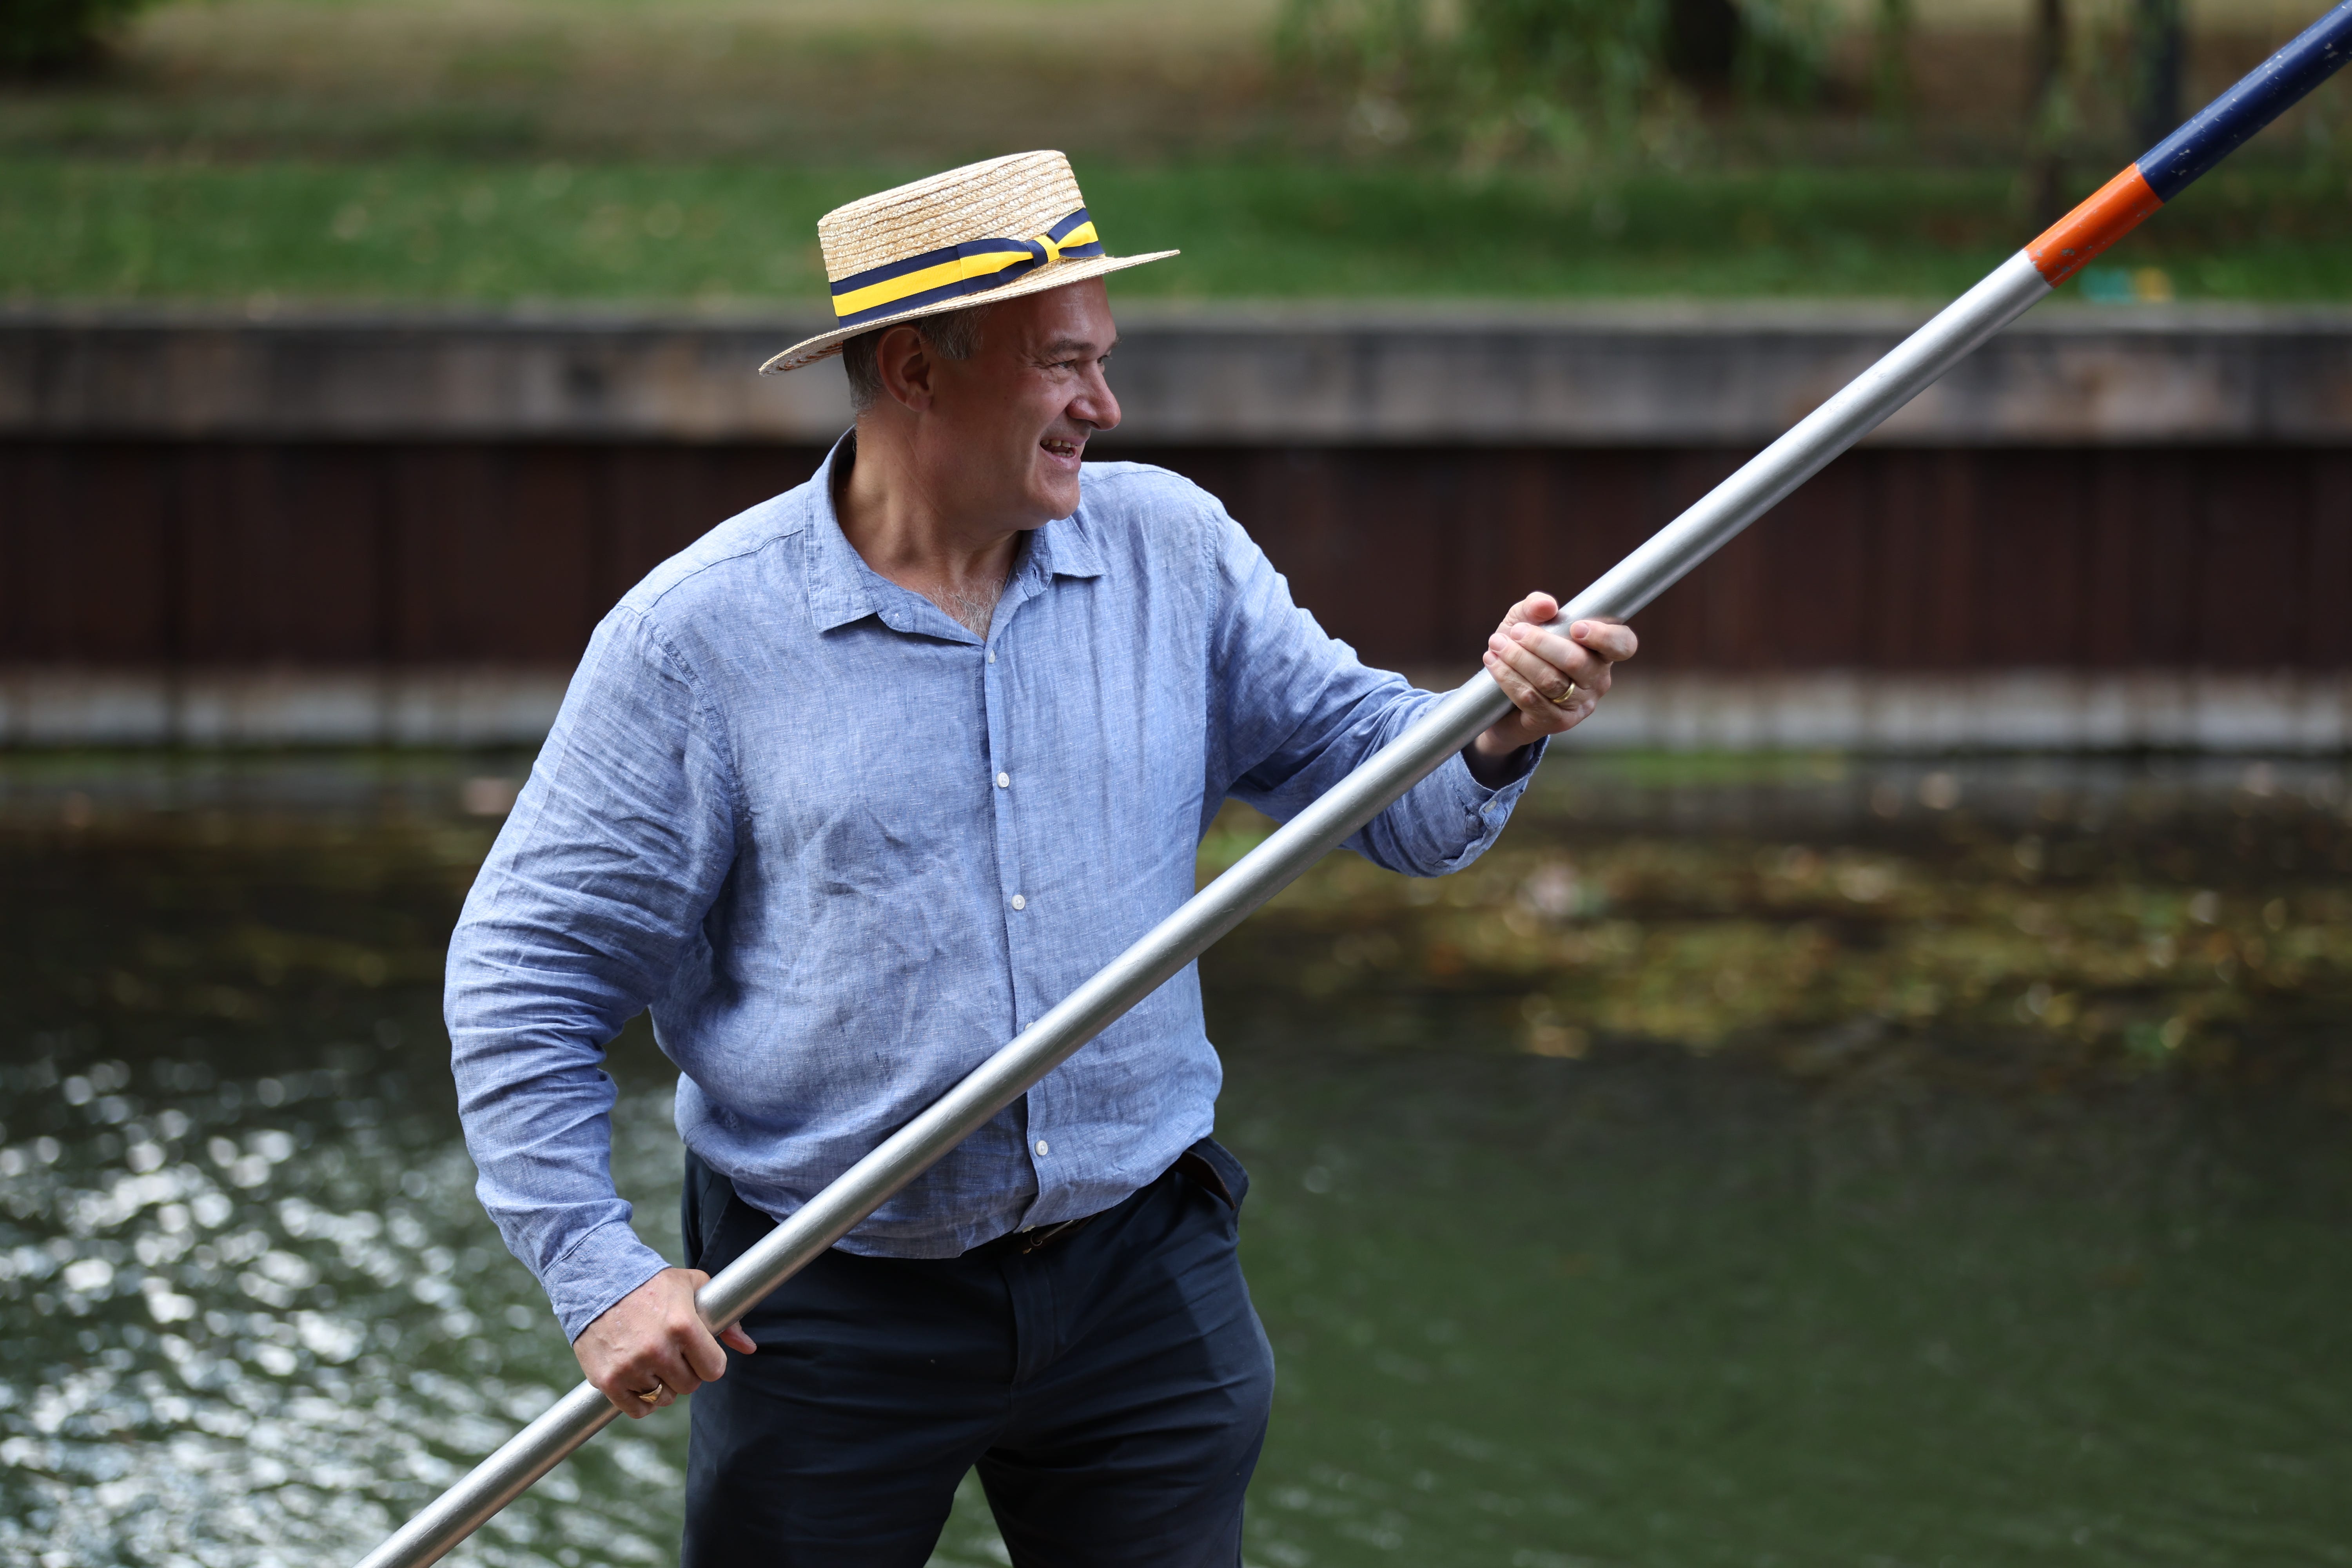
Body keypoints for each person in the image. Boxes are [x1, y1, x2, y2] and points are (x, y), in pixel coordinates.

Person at [445, 150, 1637, 1568]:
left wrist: (1497, 723)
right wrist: (599, 1273)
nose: (1105, 406)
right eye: (1062, 364)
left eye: (1105, 361)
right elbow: (526, 978)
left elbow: (1397, 798)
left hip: (1141, 1274)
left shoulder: (1174, 551)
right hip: (822, 1302)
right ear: (914, 370)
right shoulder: (697, 640)